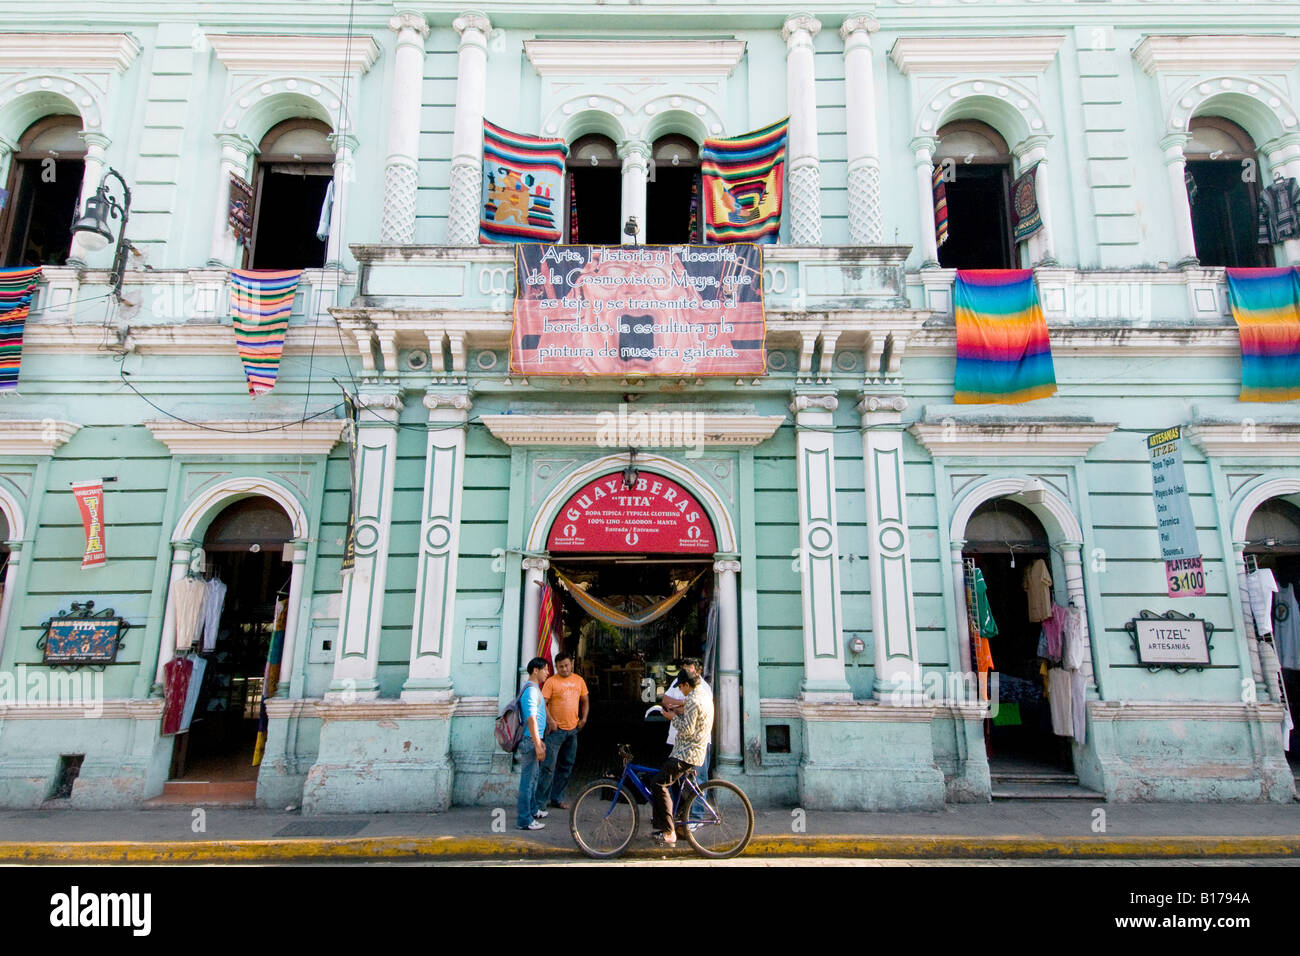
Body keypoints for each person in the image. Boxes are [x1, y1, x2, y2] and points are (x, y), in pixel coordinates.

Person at [649, 669, 714, 847]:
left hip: (687, 753)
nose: (681, 691)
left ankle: (669, 832)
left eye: (681, 687)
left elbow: (687, 729)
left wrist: (671, 717)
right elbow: (692, 714)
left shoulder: (693, 699)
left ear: (686, 684)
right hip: (691, 750)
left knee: (658, 783)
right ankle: (675, 822)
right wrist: (679, 709)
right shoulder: (701, 693)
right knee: (674, 785)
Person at [536, 651, 589, 810]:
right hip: (555, 731)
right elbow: (542, 704)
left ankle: (557, 798)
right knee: (548, 767)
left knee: (567, 765)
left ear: (571, 664)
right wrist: (550, 721)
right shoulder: (551, 682)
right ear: (556, 667)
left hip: (572, 730)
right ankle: (540, 803)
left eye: (566, 665)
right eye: (560, 667)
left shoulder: (579, 681)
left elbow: (585, 701)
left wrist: (584, 718)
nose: (564, 669)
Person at [515, 657, 549, 831]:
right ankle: (524, 819)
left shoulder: (535, 689)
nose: (547, 673)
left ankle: (533, 810)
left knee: (533, 777)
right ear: (535, 670)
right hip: (530, 740)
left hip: (534, 739)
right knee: (527, 781)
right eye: (545, 669)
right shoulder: (531, 691)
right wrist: (537, 743)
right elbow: (531, 719)